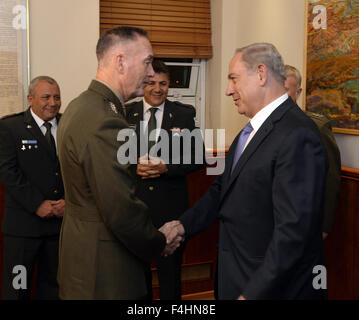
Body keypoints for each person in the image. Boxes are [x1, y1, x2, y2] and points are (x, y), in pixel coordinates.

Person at [163, 43, 328, 300]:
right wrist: (183, 226)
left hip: (269, 289)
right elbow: (222, 190)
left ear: (261, 74)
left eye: (233, 79)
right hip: (236, 276)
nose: (229, 90)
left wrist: (252, 294)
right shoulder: (249, 131)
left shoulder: (298, 134)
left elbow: (294, 232)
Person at [56, 26, 179, 300]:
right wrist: (159, 242)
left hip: (82, 256)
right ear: (120, 61)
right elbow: (120, 209)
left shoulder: (81, 105)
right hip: (105, 268)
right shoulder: (104, 120)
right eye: (147, 62)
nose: (151, 74)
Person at [126, 59, 205, 300]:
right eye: (151, 83)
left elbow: (198, 158)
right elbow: (110, 158)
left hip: (171, 211)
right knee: (137, 279)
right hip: (135, 209)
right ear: (142, 84)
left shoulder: (183, 114)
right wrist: (133, 168)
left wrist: (166, 168)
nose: (157, 89)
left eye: (163, 83)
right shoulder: (126, 112)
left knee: (170, 278)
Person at [0, 76, 65, 300]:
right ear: (30, 98)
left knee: (53, 288)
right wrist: (37, 204)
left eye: (57, 97)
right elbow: (8, 172)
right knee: (18, 288)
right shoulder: (10, 127)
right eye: (46, 97)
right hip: (23, 230)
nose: (52, 103)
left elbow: (79, 169)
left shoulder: (69, 124)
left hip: (59, 227)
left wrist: (69, 201)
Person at [284, 64, 341, 239]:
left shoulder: (317, 126)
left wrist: (324, 225)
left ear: (298, 92)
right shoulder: (263, 125)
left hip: (304, 220)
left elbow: (330, 178)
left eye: (285, 90)